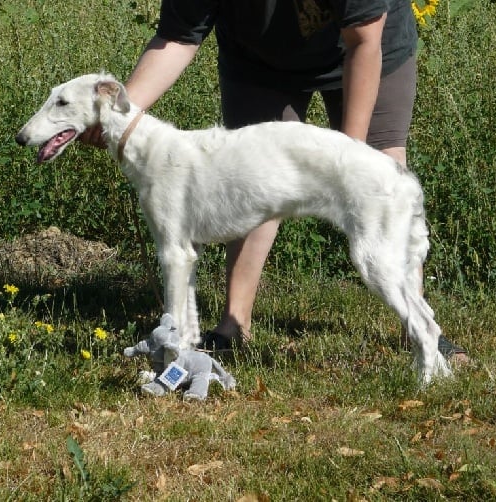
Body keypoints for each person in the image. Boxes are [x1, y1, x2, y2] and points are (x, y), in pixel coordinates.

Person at [80, 0, 467, 362]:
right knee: (250, 178)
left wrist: (351, 158)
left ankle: (420, 333)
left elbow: (365, 41)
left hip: (367, 47)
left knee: (379, 171)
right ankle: (233, 326)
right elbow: (177, 38)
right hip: (260, 62)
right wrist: (120, 115)